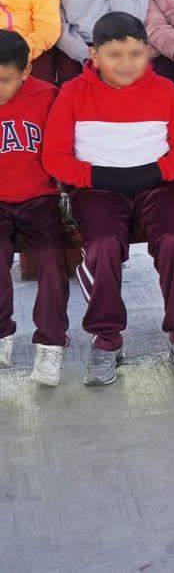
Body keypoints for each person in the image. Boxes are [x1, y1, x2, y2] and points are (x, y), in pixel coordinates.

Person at [42, 12, 174, 385]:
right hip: (97, 190)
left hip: (158, 187)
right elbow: (56, 158)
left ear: (148, 52)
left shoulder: (164, 91)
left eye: (134, 53)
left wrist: (150, 174)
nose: (126, 63)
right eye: (115, 55)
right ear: (94, 55)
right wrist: (98, 176)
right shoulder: (72, 93)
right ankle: (107, 339)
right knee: (101, 246)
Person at [0, 30, 70, 386]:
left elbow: (65, 149)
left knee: (51, 261)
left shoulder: (47, 96)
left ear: (25, 71)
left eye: (3, 80)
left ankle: (51, 344)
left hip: (38, 198)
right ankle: (1, 334)